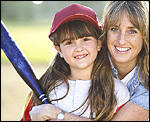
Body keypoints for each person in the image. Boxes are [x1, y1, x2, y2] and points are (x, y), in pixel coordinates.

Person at [20, 3, 130, 121]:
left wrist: (58, 115)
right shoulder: (46, 89)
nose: (78, 48)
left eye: (86, 39)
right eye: (69, 42)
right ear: (59, 49)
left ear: (98, 43)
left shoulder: (117, 91)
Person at [99, 1, 149, 121]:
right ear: (106, 32)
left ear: (145, 36)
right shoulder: (89, 62)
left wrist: (59, 114)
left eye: (132, 31)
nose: (121, 40)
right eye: (114, 29)